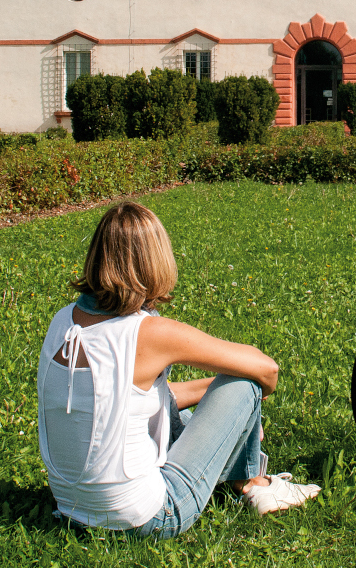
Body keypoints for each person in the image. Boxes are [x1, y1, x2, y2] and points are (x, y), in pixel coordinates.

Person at [37, 201, 319, 538]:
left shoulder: (63, 323)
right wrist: (244, 402)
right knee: (246, 382)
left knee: (191, 413)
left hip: (71, 507)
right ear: (155, 260)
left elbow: (135, 400)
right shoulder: (150, 333)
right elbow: (266, 369)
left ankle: (249, 480)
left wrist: (222, 404)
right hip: (150, 518)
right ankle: (256, 485)